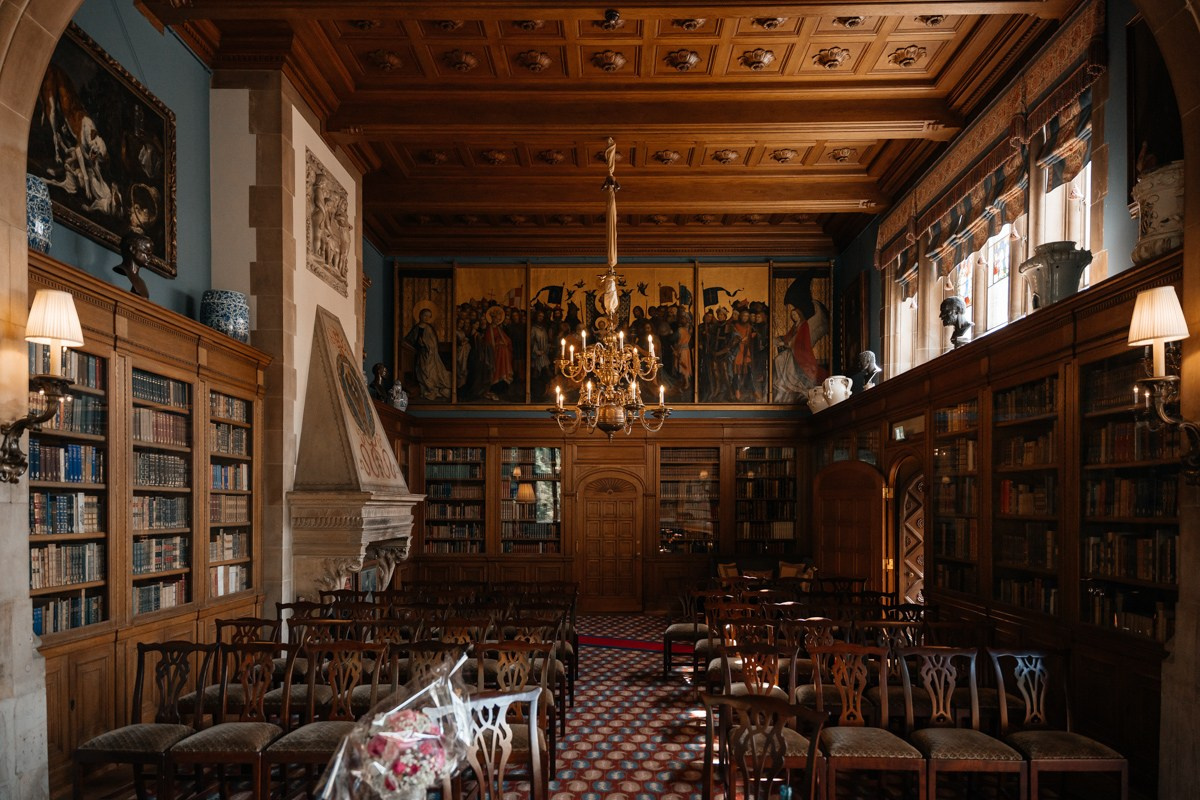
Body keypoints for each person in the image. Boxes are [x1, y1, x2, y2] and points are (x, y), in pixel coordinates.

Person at [404, 306, 452, 400]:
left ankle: (432, 389)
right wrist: (418, 343)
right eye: (424, 315)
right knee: (422, 371)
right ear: (420, 315)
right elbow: (409, 340)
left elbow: (433, 343)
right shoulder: (416, 328)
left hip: (430, 355)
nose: (426, 318)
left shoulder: (429, 329)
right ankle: (426, 389)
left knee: (429, 371)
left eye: (428, 316)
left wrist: (425, 344)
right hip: (420, 354)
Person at [113, 231, 152, 298]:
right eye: (147, 252)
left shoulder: (142, 283)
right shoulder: (122, 273)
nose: (149, 258)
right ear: (132, 249)